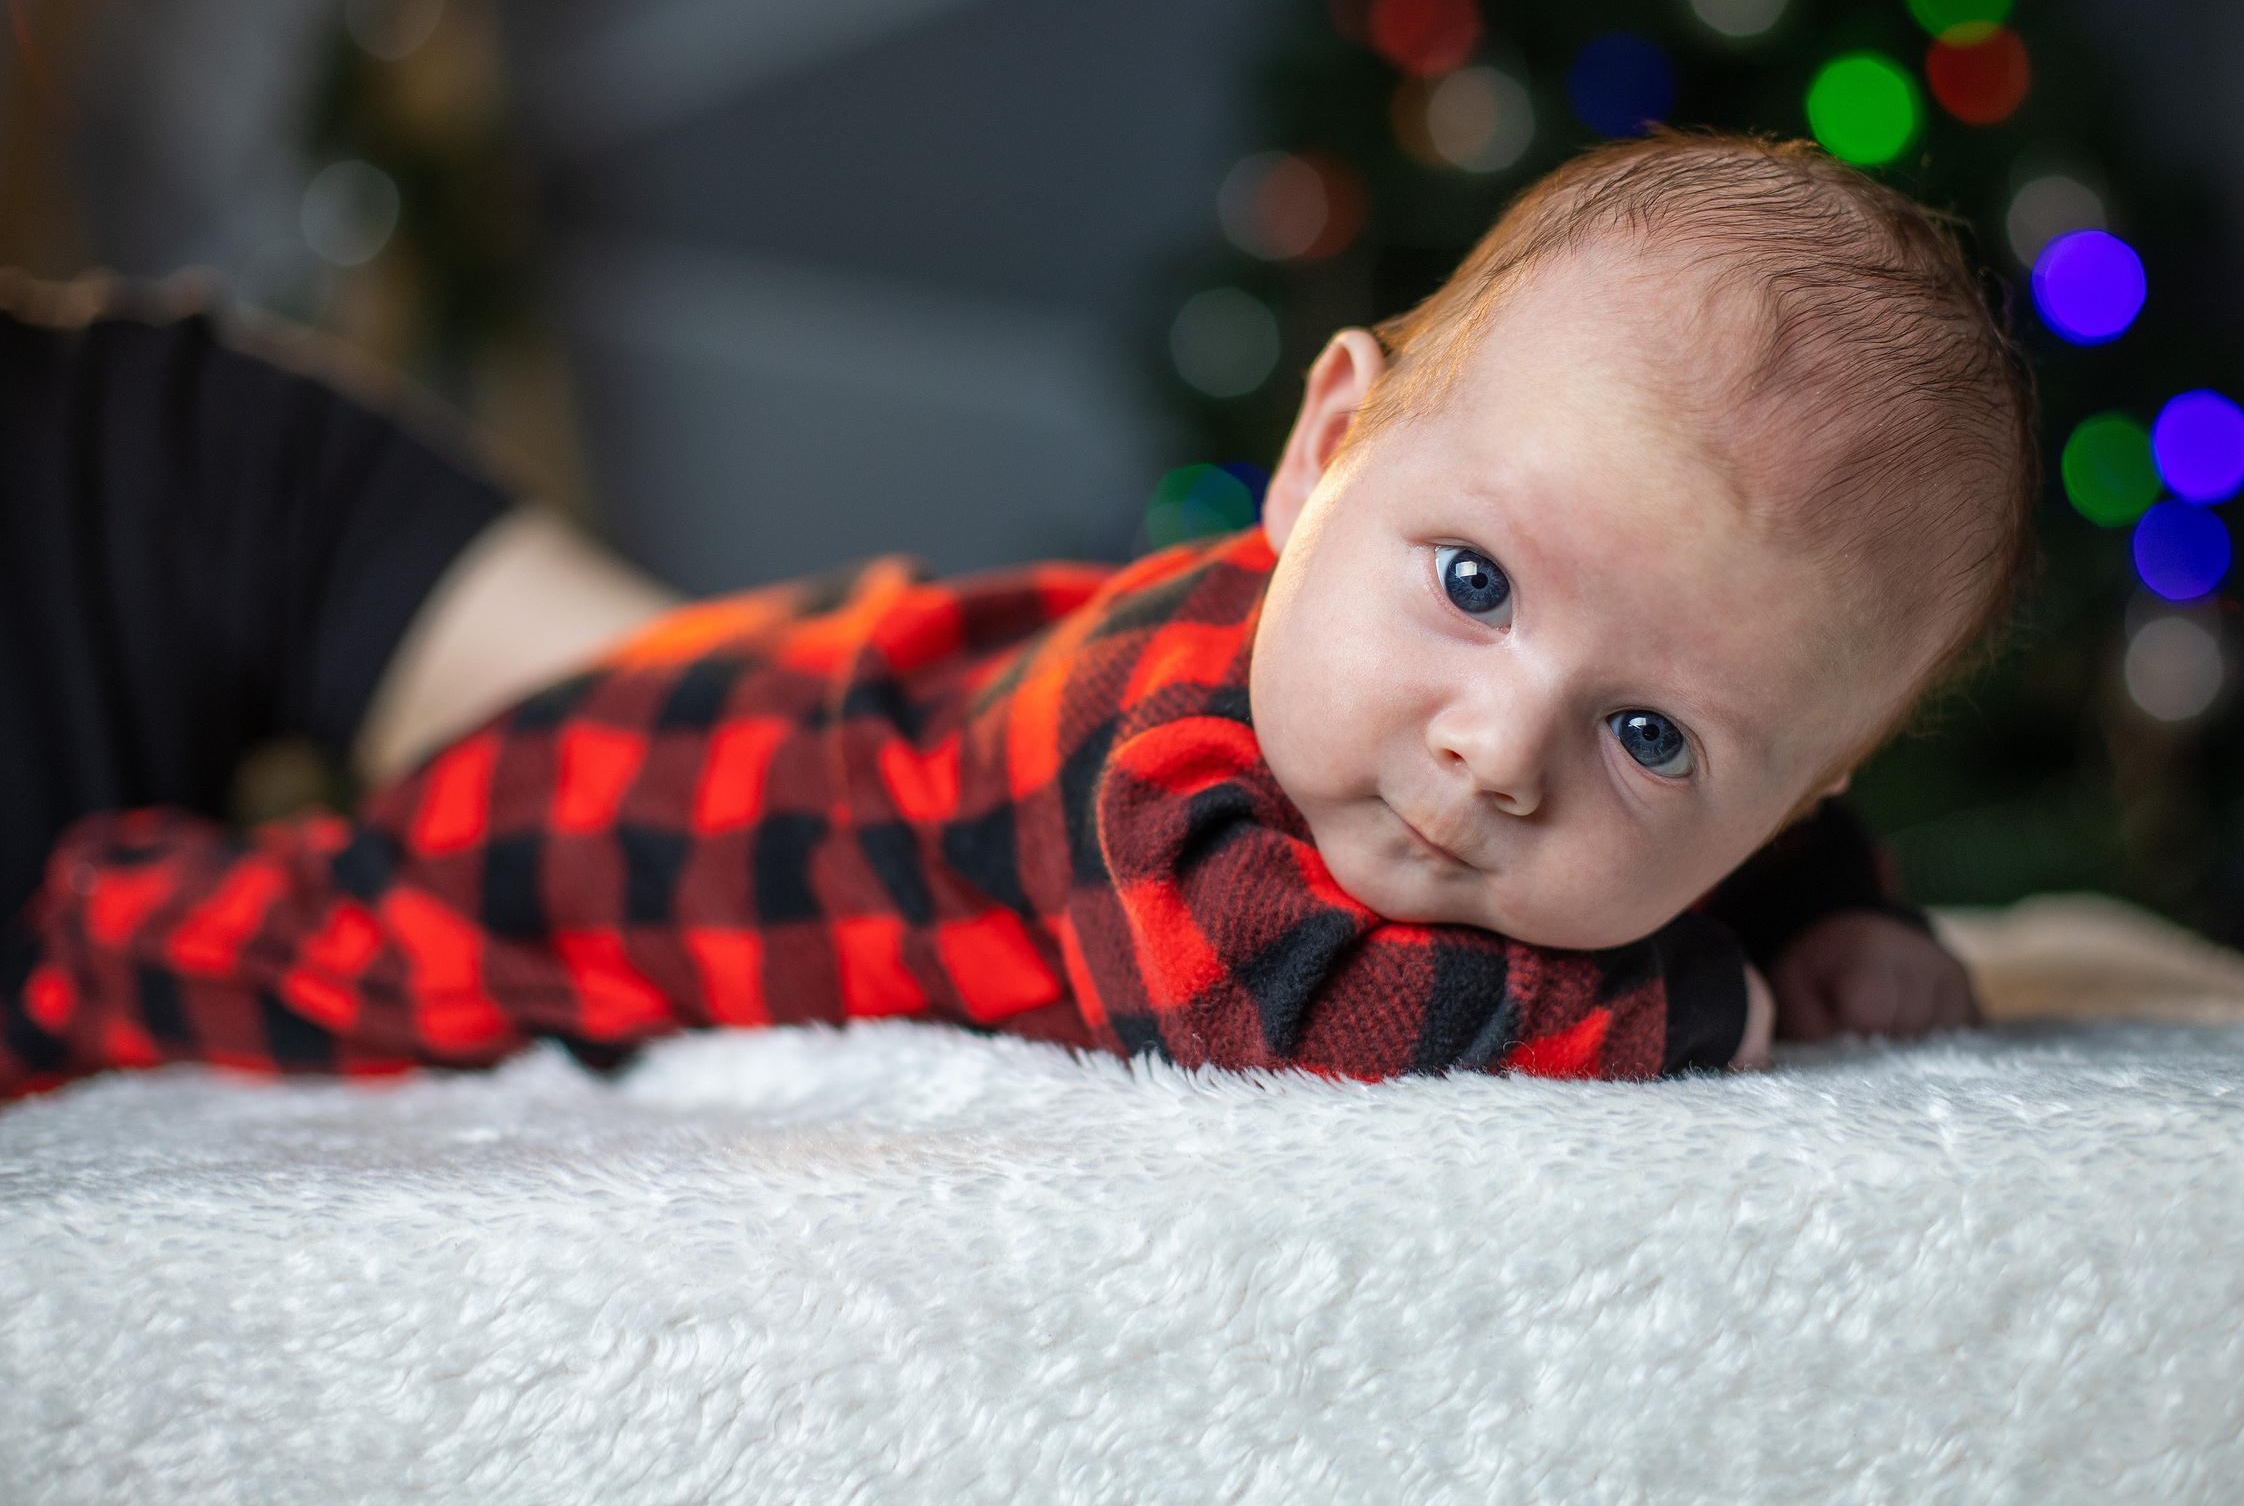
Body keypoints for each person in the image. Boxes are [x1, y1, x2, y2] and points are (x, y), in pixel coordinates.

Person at [0, 131, 2030, 1098]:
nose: (1494, 749)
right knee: (316, 955)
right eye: (1474, 588)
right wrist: (1725, 1004)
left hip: (762, 727)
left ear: (1786, 794)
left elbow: (1727, 816)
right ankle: (75, 923)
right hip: (597, 826)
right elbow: (1288, 1013)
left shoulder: (1572, 725)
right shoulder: (1157, 770)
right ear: (1322, 454)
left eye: (1650, 737)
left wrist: (1845, 912)